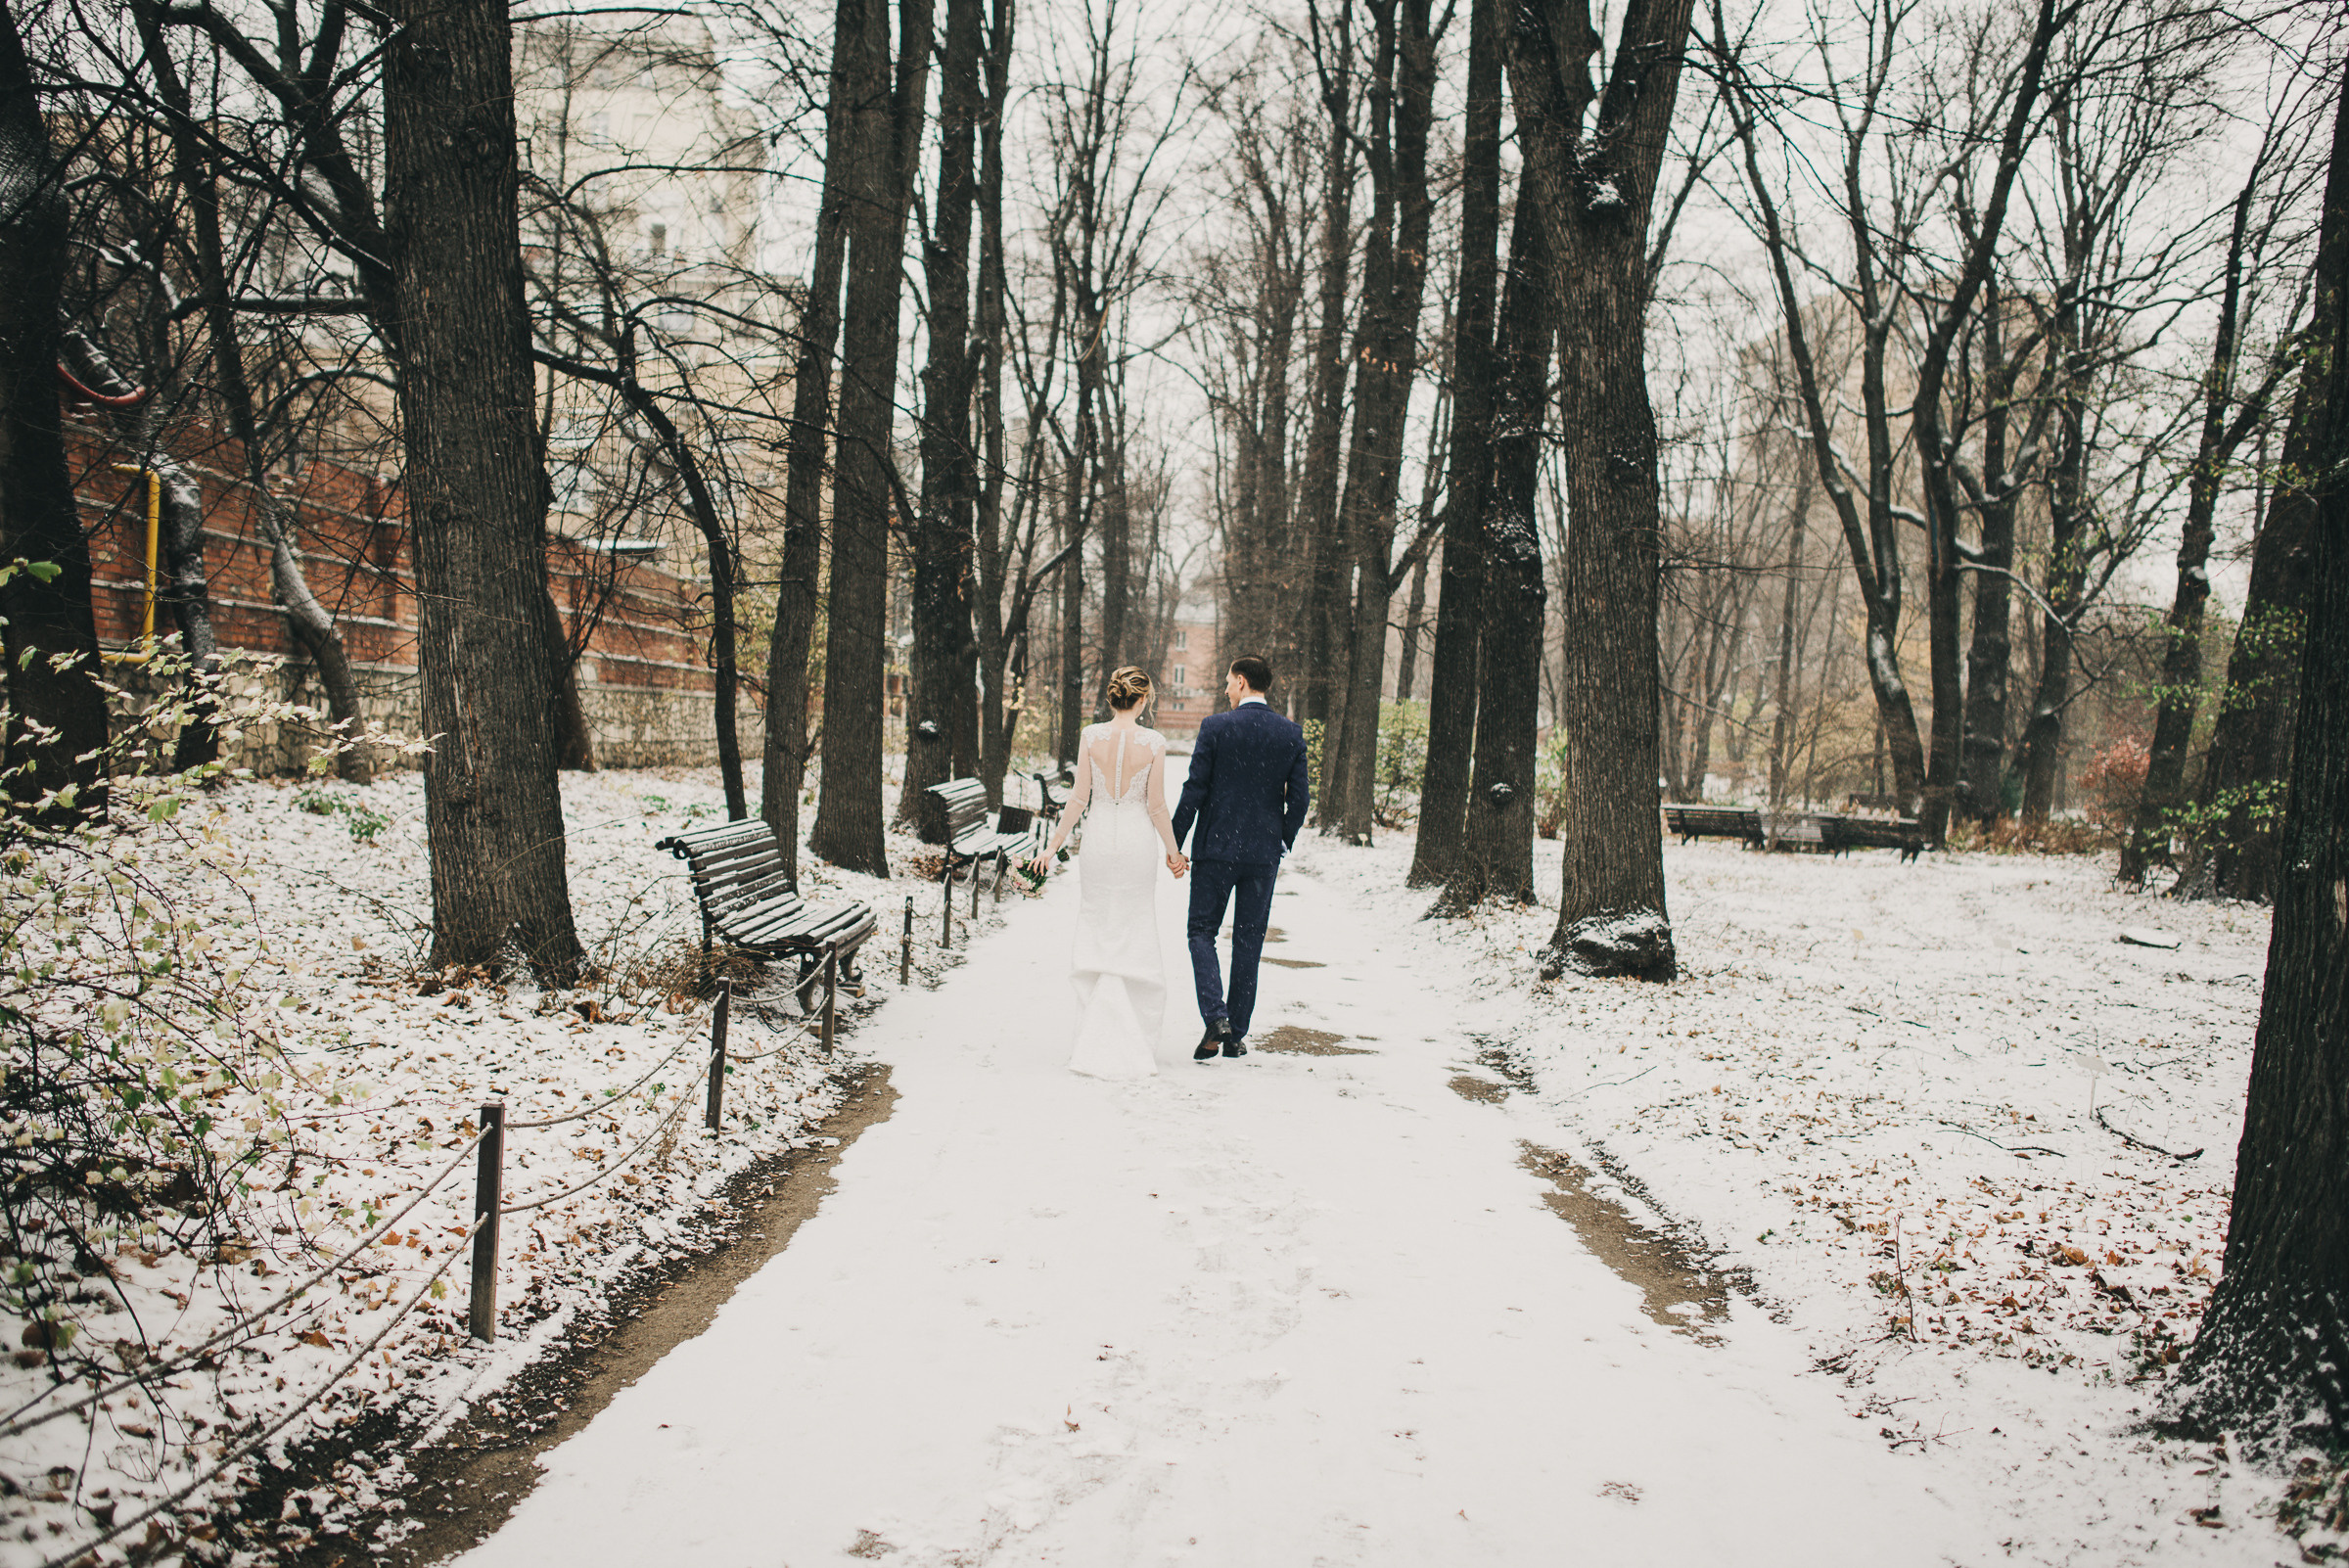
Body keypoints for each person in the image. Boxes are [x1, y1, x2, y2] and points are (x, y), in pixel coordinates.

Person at [1030, 667, 1188, 1079]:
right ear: (1143, 700)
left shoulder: (1090, 736)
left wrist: (1051, 847)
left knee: (1098, 923)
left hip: (1099, 841)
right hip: (1136, 842)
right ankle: (1132, 1034)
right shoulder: (1153, 742)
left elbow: (1079, 798)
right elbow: (1156, 805)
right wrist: (1174, 853)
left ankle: (1093, 1032)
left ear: (1113, 696)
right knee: (1135, 924)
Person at [1171, 656, 1310, 1062]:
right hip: (1262, 855)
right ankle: (1236, 1034)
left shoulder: (1215, 727)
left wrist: (1174, 842)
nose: (1226, 689)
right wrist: (1280, 839)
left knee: (1201, 932)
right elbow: (1300, 800)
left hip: (1216, 849)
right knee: (1249, 941)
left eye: (1229, 682)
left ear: (1243, 682)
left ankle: (1216, 1017)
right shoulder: (1290, 733)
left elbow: (1195, 789)